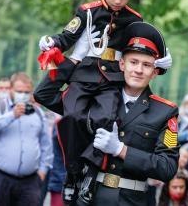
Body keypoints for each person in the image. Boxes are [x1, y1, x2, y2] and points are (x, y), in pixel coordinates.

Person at [38, 0, 172, 204]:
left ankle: (86, 173)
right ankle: (75, 174)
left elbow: (166, 167)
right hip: (86, 74)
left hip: (112, 79)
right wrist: (62, 54)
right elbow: (45, 90)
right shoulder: (88, 12)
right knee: (73, 116)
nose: (119, 1)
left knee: (106, 117)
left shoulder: (134, 20)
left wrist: (161, 59)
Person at [35, 21, 179, 206]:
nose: (138, 70)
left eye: (146, 65)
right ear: (121, 64)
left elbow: (167, 167)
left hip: (131, 200)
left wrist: (121, 150)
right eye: (133, 62)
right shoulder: (94, 98)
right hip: (88, 197)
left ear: (154, 72)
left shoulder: (165, 111)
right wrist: (75, 58)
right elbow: (43, 94)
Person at [0, 72, 53, 206]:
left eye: (27, 92)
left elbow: (46, 146)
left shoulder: (38, 113)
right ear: (10, 90)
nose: (23, 95)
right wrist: (12, 115)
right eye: (19, 91)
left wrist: (42, 172)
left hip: (30, 181)